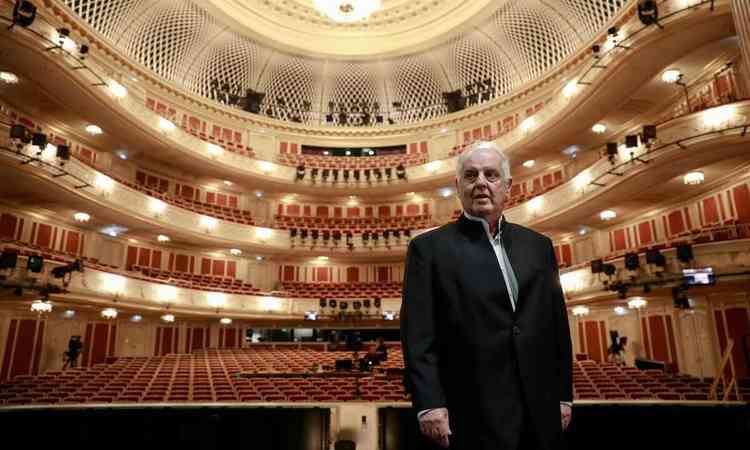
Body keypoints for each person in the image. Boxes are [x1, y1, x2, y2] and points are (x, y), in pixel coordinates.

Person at [401, 141, 573, 450]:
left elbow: (556, 325)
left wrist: (563, 395)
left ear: (507, 186)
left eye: (490, 175)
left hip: (539, 406)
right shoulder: (428, 250)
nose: (481, 182)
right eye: (471, 175)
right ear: (458, 186)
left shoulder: (539, 246)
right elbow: (418, 336)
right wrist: (429, 403)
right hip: (469, 410)